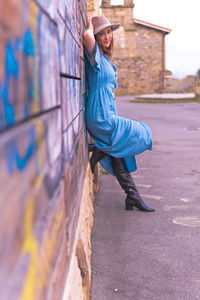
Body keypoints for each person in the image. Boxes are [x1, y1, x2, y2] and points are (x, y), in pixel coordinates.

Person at [83, 15, 155, 212]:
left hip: (108, 113)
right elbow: (87, 36)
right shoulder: (95, 54)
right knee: (142, 132)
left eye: (108, 32)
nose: (107, 36)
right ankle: (102, 149)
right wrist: (91, 24)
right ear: (97, 36)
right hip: (99, 116)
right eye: (102, 33)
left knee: (119, 150)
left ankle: (132, 196)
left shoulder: (106, 59)